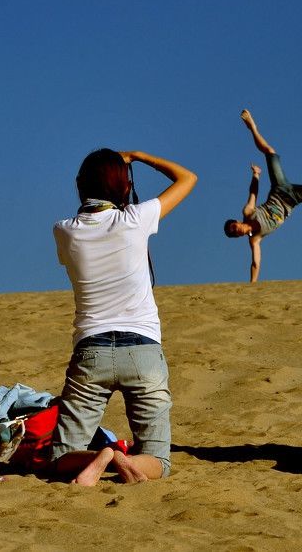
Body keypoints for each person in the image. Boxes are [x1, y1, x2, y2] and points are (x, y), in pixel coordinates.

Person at [51, 149, 196, 484]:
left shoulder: (64, 230)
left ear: (79, 186)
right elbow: (188, 178)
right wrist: (142, 157)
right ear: (126, 185)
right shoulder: (135, 219)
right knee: (159, 458)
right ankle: (122, 459)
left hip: (92, 351)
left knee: (61, 456)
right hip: (143, 350)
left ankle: (102, 455)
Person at [223, 109, 302, 282]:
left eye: (234, 227)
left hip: (280, 189)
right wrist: (252, 285)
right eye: (235, 233)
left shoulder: (247, 213)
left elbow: (253, 193)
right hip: (293, 200)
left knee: (270, 151)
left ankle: (252, 126)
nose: (237, 230)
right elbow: (255, 263)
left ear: (237, 222)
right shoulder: (255, 240)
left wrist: (256, 175)